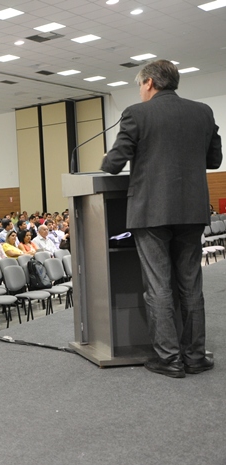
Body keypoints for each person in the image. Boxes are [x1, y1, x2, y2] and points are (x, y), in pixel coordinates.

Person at [101, 59, 222, 378]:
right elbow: (214, 159)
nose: (140, 91)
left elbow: (114, 164)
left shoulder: (136, 114)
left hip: (151, 212)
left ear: (150, 83)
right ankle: (195, 356)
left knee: (158, 286)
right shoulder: (203, 112)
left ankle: (168, 358)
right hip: (192, 211)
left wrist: (105, 158)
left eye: (140, 85)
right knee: (191, 285)